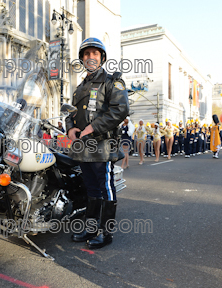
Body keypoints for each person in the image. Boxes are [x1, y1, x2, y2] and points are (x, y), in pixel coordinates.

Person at [66, 37, 129, 249]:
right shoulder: (80, 87)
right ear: (82, 59)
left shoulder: (112, 81)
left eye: (94, 53)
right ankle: (91, 228)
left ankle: (106, 232)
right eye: (86, 54)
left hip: (103, 146)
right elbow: (71, 112)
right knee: (90, 189)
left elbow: (120, 110)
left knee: (105, 189)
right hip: (83, 148)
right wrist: (70, 128)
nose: (90, 57)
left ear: (101, 57)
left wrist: (94, 127)